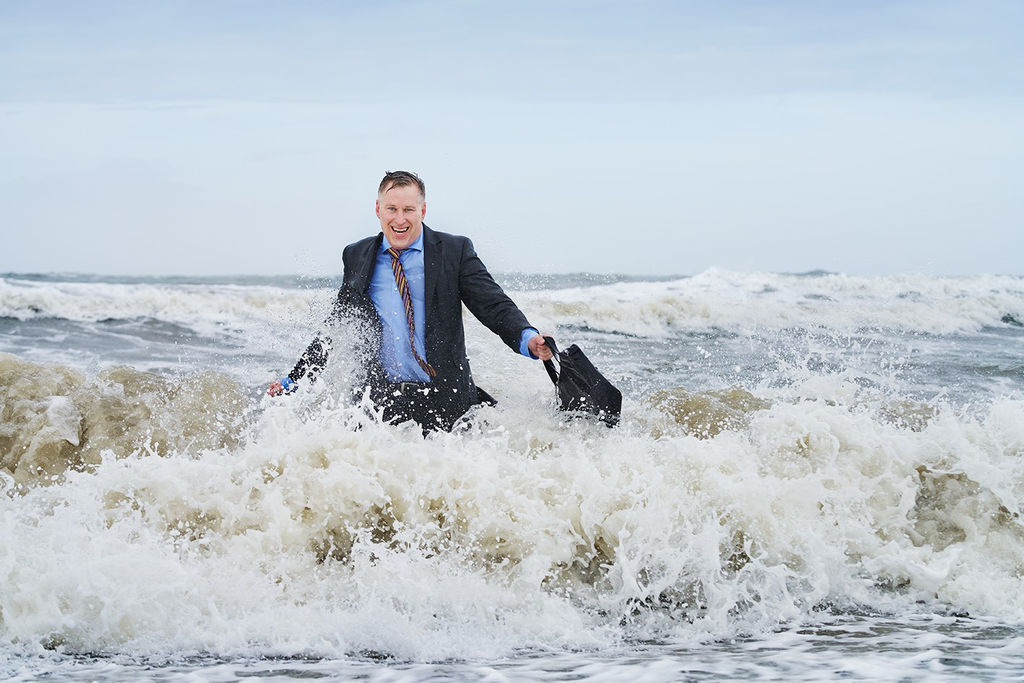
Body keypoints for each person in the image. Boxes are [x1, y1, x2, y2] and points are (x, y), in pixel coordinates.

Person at [268, 170, 553, 432]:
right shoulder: (356, 255)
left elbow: (492, 303)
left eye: (408, 210)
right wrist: (295, 380)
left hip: (445, 400)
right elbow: (340, 326)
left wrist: (527, 338)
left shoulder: (453, 251)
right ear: (378, 210)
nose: (400, 219)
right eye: (391, 209)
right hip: (379, 404)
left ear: (423, 211)